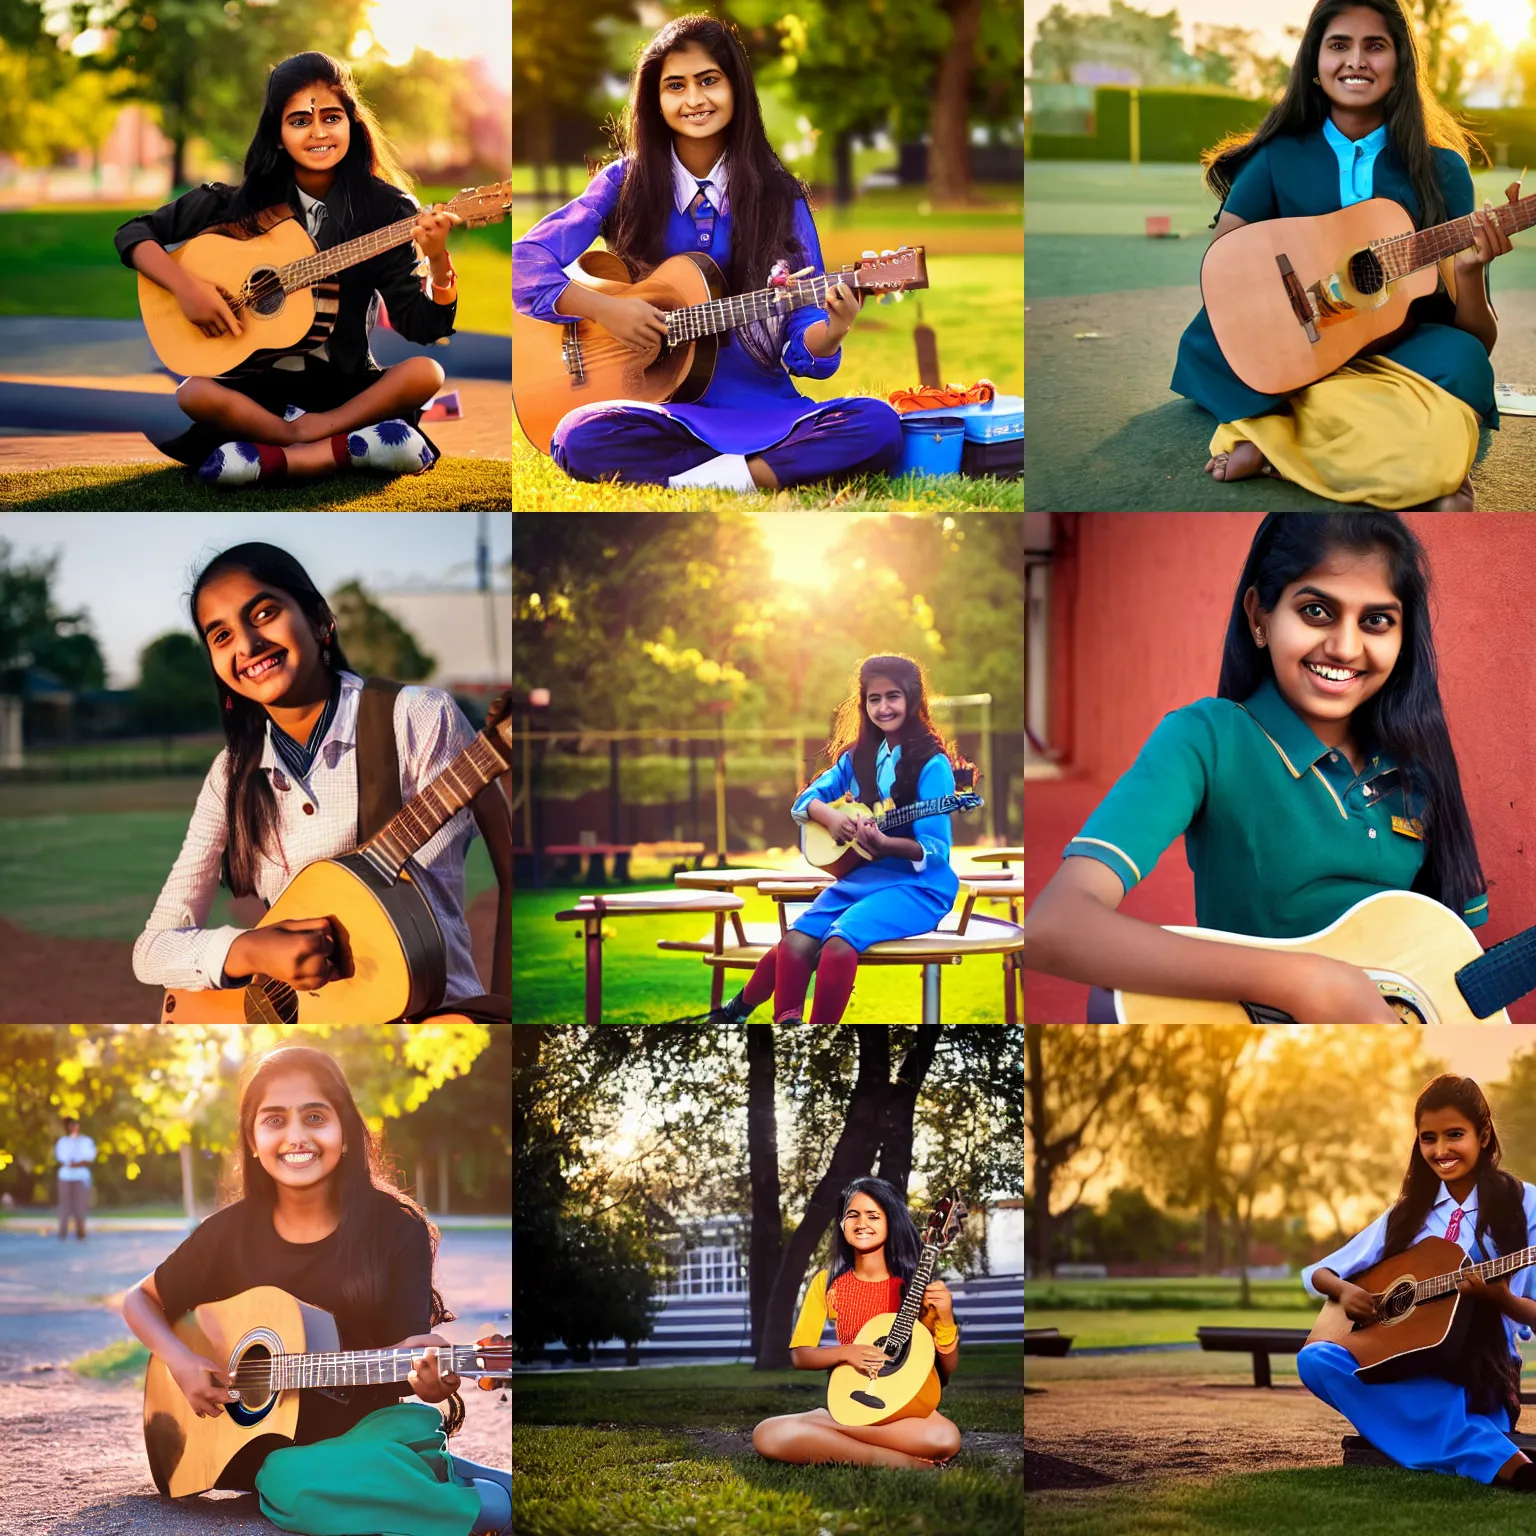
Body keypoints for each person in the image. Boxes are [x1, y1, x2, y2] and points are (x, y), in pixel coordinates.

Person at [1025, 511, 1489, 1023]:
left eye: (1376, 621)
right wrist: (1303, 982)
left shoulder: (1420, 769)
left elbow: (1456, 974)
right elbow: (1055, 928)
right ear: (1259, 616)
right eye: (1316, 611)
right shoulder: (1207, 738)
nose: (1346, 647)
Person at [119, 1044, 510, 1534]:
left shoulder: (395, 1229)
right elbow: (140, 1300)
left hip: (372, 1434)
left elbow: (408, 1359)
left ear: (345, 1132)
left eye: (315, 1116)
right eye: (275, 1119)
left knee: (298, 1482)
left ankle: (474, 1506)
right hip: (275, 1453)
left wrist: (429, 1378)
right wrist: (179, 1359)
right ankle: (458, 1490)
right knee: (287, 1476)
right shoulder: (227, 1233)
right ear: (253, 1138)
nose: (296, 1136)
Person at [512, 12, 903, 494]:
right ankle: (758, 472)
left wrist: (834, 330)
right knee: (576, 436)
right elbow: (524, 263)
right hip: (662, 412)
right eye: (675, 86)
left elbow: (803, 339)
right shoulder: (622, 183)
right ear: (654, 101)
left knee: (878, 424)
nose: (694, 100)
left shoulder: (780, 197)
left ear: (736, 88)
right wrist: (605, 310)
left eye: (709, 81)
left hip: (766, 408)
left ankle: (713, 479)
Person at [130, 543, 512, 1021]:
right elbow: (151, 949)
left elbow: (514, 871)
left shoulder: (415, 717)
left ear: (319, 619)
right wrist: (248, 951)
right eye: (221, 636)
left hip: (434, 1014)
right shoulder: (228, 775)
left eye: (264, 613)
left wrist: (502, 1009)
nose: (247, 645)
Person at [1171, 0, 1514, 509]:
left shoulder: (1442, 170)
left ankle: (1272, 440)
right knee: (1210, 343)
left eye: (1375, 46)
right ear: (1314, 64)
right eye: (1339, 45)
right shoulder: (1278, 157)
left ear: (1400, 66)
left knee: (1465, 364)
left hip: (1401, 347)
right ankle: (1413, 455)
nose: (1356, 60)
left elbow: (1478, 338)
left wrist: (1469, 271)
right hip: (1297, 338)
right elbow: (1225, 265)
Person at [115, 51, 458, 488]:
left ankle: (286, 451)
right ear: (277, 135)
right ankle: (339, 448)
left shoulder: (388, 211)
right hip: (259, 393)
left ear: (351, 123)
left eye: (332, 118)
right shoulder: (241, 203)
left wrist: (439, 263)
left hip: (345, 389)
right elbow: (133, 234)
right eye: (299, 121)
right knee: (194, 392)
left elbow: (422, 325)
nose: (318, 132)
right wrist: (186, 288)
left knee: (427, 372)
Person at [1301, 1074, 1536, 1488]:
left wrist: (1501, 1299)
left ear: (1483, 1136)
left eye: (1454, 1135)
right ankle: (1488, 1453)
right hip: (1403, 1364)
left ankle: (1453, 1441)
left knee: (1443, 1404)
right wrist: (1345, 1290)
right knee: (1315, 1359)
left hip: (1481, 1376)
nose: (1441, 1150)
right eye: (1429, 1138)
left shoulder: (1525, 1204)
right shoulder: (1408, 1214)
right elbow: (1322, 1272)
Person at [710, 654, 964, 1024]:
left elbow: (936, 851)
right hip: (862, 878)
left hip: (919, 886)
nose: (883, 707)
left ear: (911, 698)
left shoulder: (932, 764)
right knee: (795, 943)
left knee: (838, 941)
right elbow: (805, 801)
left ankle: (812, 1030)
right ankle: (784, 1022)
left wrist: (885, 845)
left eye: (892, 696)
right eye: (873, 699)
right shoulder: (855, 757)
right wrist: (829, 816)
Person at [752, 1177, 962, 1468]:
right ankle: (903, 1462)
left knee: (944, 1437)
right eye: (853, 1214)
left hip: (905, 1413)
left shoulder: (915, 1287)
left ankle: (825, 1429)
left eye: (873, 1215)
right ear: (841, 1224)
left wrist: (946, 1319)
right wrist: (846, 1352)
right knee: (766, 1434)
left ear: (892, 1222)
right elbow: (800, 1355)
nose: (862, 1222)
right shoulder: (828, 1283)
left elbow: (946, 1372)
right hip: (855, 1401)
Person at [56, 1115, 96, 1241]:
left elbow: (88, 1157)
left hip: (80, 1176)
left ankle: (81, 1232)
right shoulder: (63, 1142)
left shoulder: (86, 1141)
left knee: (80, 1205)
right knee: (65, 1205)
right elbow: (63, 1158)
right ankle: (63, 1231)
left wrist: (77, 1163)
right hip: (66, 1176)